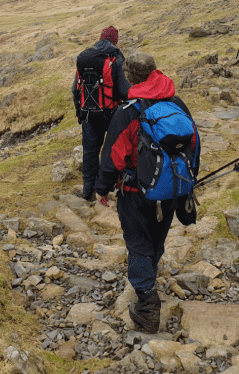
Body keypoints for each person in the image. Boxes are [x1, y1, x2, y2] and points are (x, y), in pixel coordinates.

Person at [94, 53, 200, 333]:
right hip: (172, 189)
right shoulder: (176, 103)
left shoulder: (128, 110)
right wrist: (189, 182)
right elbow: (194, 143)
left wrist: (101, 188)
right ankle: (149, 277)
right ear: (155, 71)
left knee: (138, 243)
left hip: (136, 192)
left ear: (129, 77)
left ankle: (147, 306)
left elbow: (113, 155)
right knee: (156, 240)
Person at [71, 26, 131, 202]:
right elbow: (123, 90)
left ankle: (88, 190)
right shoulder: (116, 57)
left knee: (90, 151)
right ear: (115, 40)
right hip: (111, 114)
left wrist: (79, 112)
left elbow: (75, 89)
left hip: (88, 114)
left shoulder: (84, 57)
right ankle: (110, 187)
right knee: (113, 149)